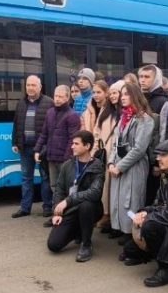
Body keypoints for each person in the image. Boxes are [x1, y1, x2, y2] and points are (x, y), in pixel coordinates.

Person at [120, 139, 168, 287]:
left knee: (149, 227)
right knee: (129, 249)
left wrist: (147, 218)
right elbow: (158, 203)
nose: (158, 158)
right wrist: (144, 212)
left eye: (163, 155)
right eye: (158, 155)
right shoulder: (167, 175)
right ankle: (156, 256)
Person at [47, 131, 106, 262]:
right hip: (71, 210)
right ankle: (79, 229)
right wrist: (56, 212)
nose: (72, 146)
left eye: (76, 144)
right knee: (53, 245)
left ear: (87, 146)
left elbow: (95, 192)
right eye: (72, 143)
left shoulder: (97, 166)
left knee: (87, 205)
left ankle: (86, 244)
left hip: (90, 209)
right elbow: (59, 189)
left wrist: (69, 200)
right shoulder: (68, 165)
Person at [107, 81, 154, 241]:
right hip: (119, 166)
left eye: (127, 94)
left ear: (135, 96)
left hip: (134, 167)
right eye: (122, 94)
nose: (122, 97)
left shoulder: (145, 119)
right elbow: (115, 143)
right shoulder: (124, 117)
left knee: (132, 201)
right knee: (118, 201)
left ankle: (134, 239)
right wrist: (111, 163)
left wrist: (119, 166)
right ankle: (124, 232)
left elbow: (139, 149)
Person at [35, 85, 81, 226]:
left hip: (64, 160)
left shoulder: (72, 115)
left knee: (68, 190)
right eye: (56, 96)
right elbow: (44, 134)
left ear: (67, 98)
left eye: (61, 96)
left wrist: (67, 159)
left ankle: (69, 217)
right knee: (55, 188)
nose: (57, 99)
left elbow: (72, 140)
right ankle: (57, 214)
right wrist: (37, 150)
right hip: (51, 158)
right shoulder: (49, 113)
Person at [12, 75, 52, 219]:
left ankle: (48, 207)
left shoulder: (49, 103)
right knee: (26, 178)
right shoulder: (21, 103)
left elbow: (52, 128)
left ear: (40, 87)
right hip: (25, 147)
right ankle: (25, 208)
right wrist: (15, 142)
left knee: (45, 178)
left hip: (42, 149)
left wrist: (46, 147)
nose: (30, 88)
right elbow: (16, 124)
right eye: (28, 85)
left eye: (33, 85)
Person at [97, 81, 123, 234]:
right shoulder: (105, 111)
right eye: (111, 93)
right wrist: (95, 151)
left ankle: (115, 222)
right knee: (105, 189)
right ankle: (107, 217)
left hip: (118, 158)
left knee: (116, 191)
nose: (113, 95)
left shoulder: (125, 112)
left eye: (116, 92)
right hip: (104, 155)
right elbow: (96, 132)